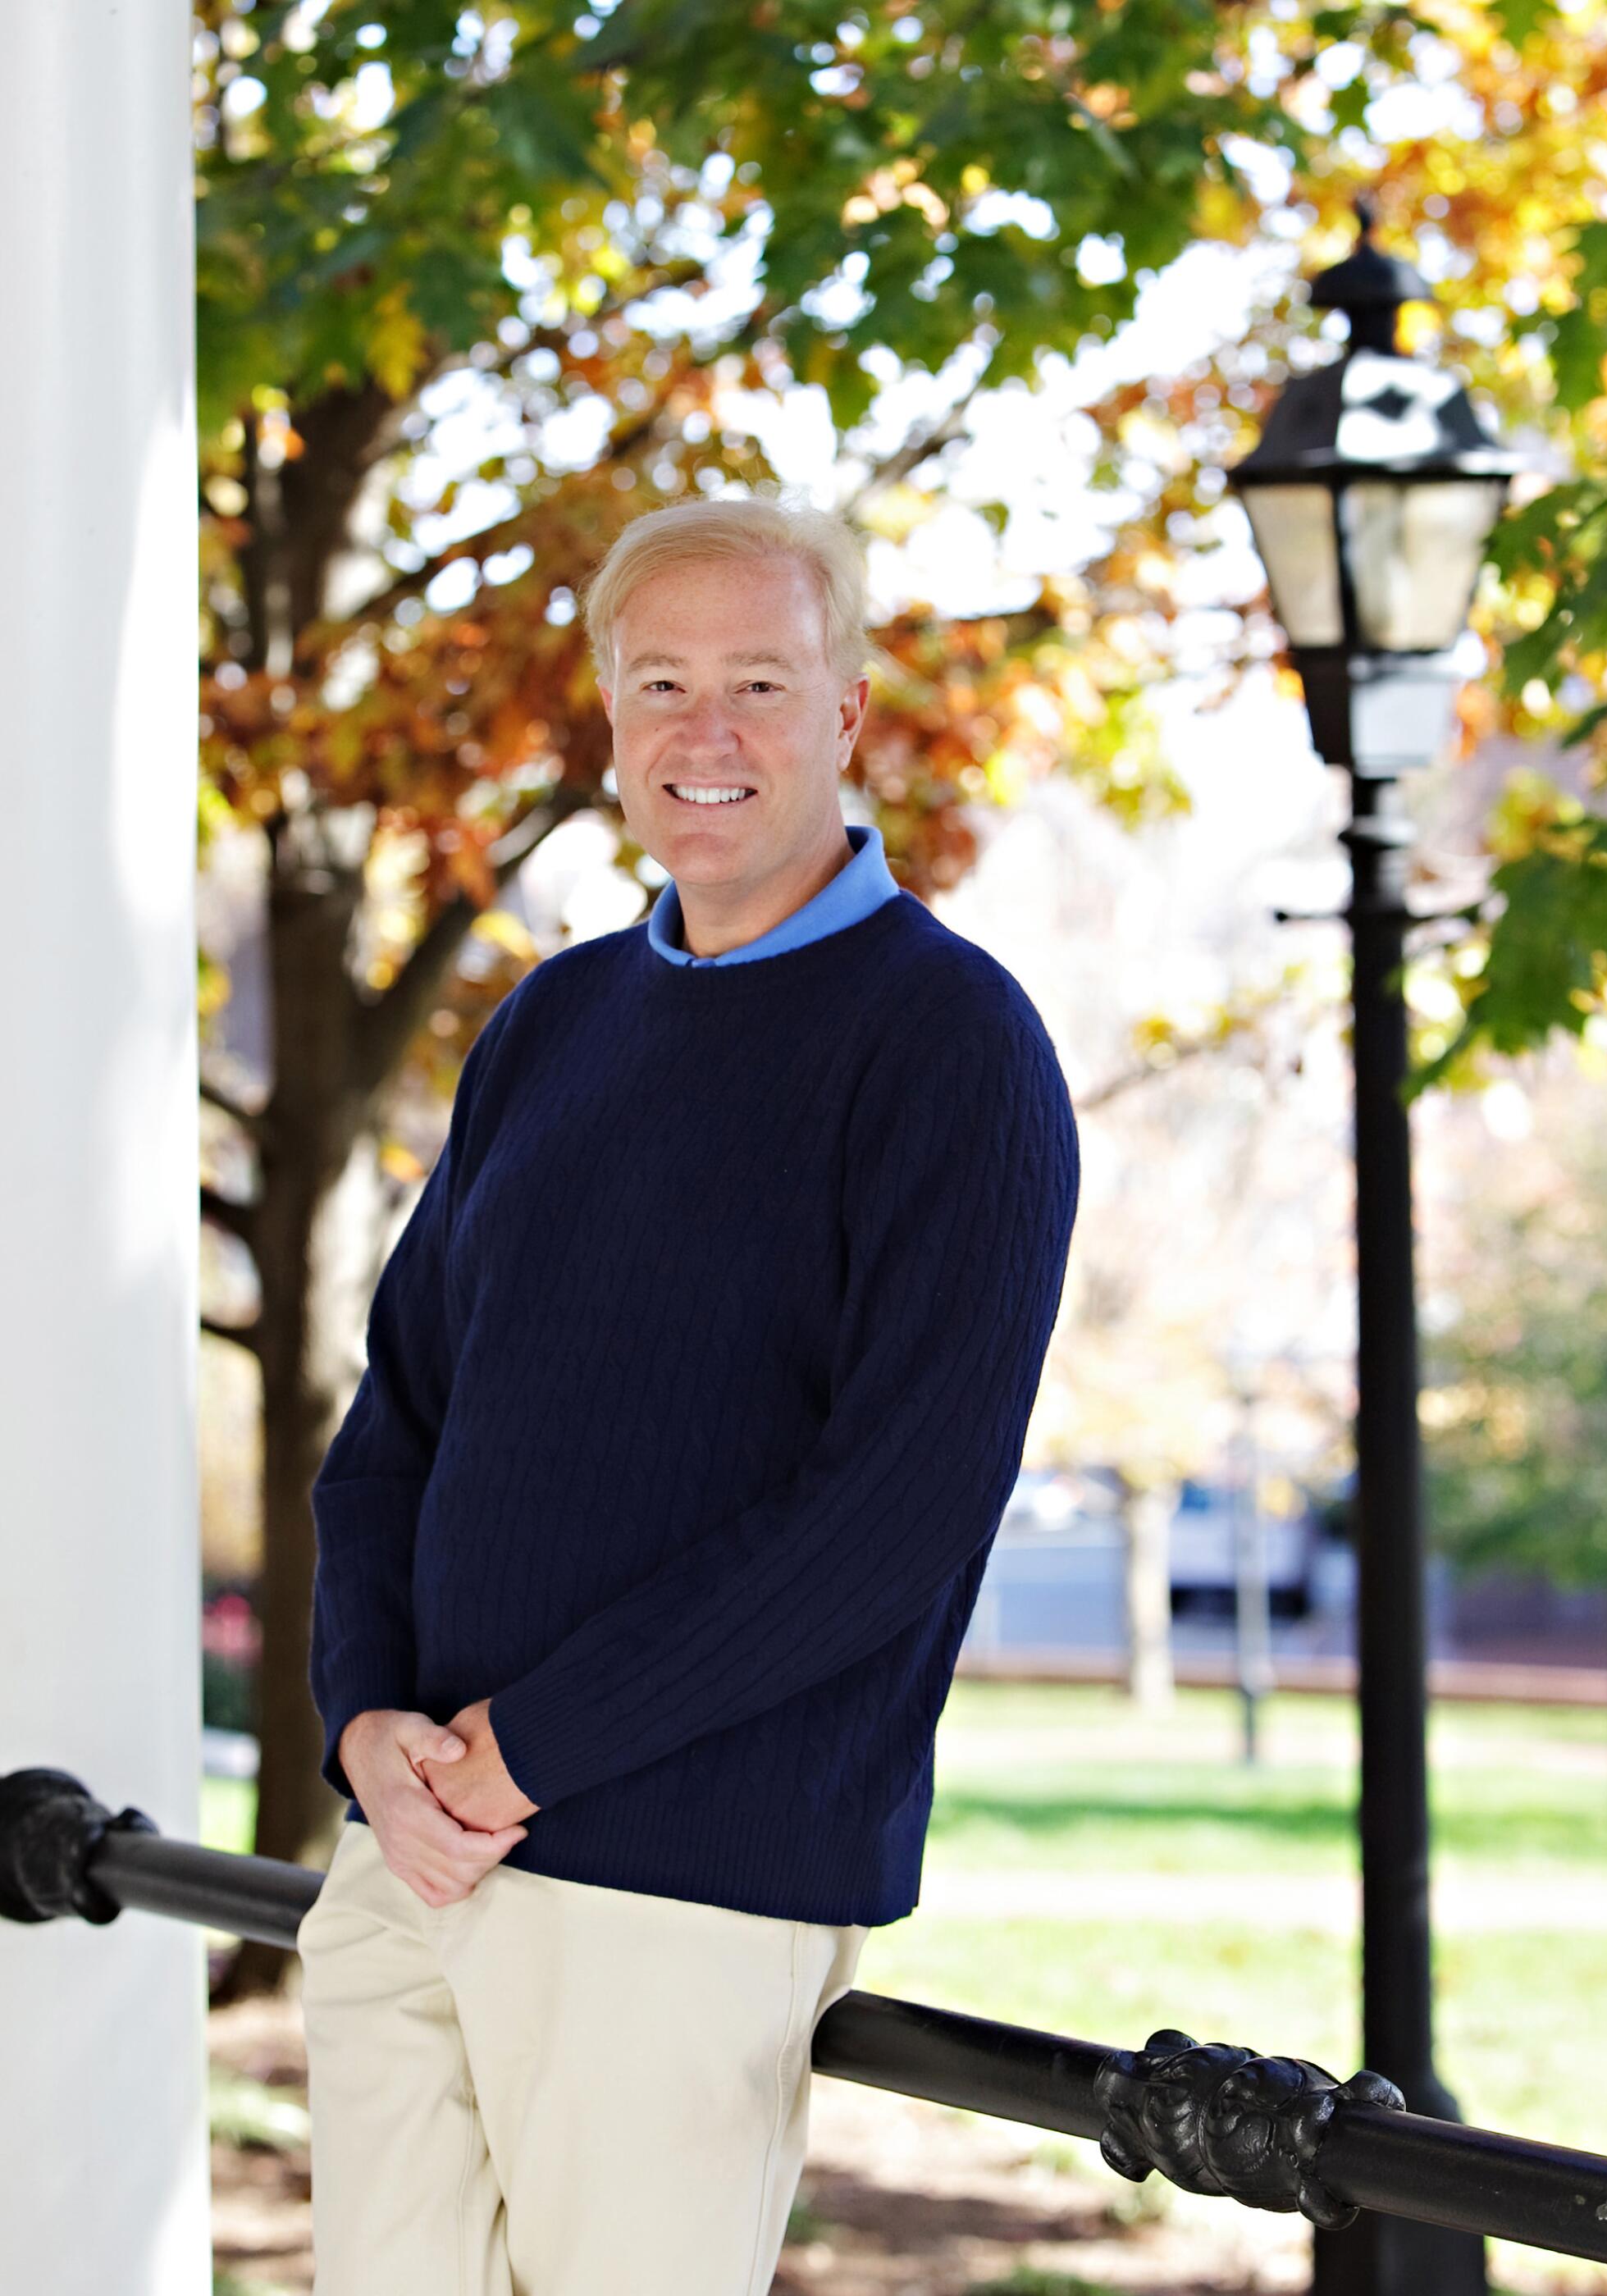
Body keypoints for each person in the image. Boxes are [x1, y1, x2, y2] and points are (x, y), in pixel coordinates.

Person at [297, 494, 1081, 2295]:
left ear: (846, 714)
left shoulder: (951, 1045)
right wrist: (365, 1728)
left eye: (755, 680)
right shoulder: (551, 1024)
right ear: (609, 720)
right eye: (659, 684)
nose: (702, 733)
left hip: (680, 1886)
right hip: (410, 1848)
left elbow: (884, 1523)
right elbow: (395, 1425)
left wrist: (523, 1749)